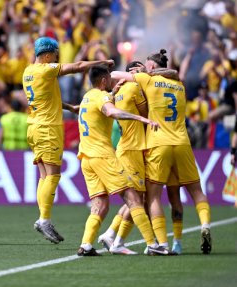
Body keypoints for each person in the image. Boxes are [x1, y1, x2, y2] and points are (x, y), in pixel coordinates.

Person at [111, 49, 212, 254]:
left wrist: (144, 74)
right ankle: (203, 227)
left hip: (158, 143)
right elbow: (174, 74)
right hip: (182, 143)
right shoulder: (180, 85)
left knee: (154, 196)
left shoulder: (147, 80)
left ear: (153, 67)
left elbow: (113, 74)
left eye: (147, 66)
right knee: (196, 192)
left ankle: (161, 243)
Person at [22, 36, 114, 244]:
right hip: (48, 128)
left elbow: (45, 97)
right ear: (46, 54)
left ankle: (43, 218)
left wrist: (69, 107)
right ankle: (44, 219)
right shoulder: (46, 69)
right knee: (52, 176)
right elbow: (78, 66)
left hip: (34, 126)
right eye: (55, 55)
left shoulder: (28, 71)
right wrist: (100, 63)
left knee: (44, 176)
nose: (56, 58)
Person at [76, 64, 168, 256]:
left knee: (100, 204)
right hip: (102, 156)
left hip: (85, 157)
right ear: (103, 81)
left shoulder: (87, 96)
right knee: (133, 198)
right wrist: (141, 118)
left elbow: (98, 104)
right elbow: (111, 112)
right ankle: (152, 244)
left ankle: (85, 245)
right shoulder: (101, 97)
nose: (112, 82)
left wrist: (113, 92)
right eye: (109, 79)